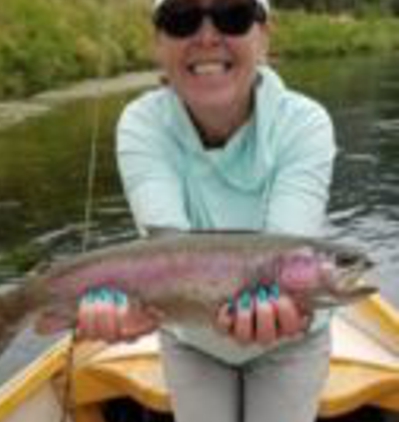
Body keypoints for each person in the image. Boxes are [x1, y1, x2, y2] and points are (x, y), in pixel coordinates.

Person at [77, 0, 337, 421]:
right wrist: (123, 305)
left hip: (292, 344)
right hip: (191, 340)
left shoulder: (306, 123)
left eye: (233, 15)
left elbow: (289, 260)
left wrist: (293, 306)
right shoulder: (141, 123)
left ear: (264, 35)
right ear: (159, 44)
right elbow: (165, 256)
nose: (207, 36)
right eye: (182, 20)